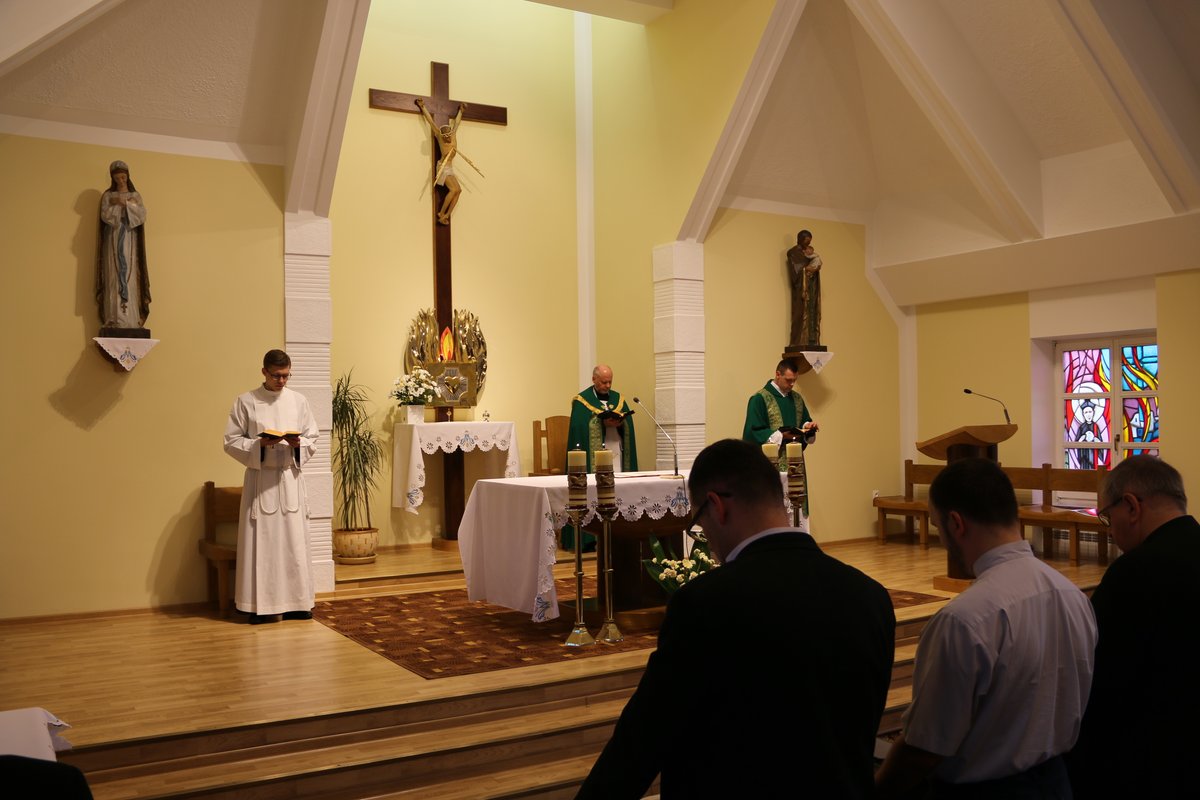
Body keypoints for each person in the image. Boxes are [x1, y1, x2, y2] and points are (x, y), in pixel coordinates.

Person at [575, 439, 895, 799]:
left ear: (717, 505)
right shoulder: (871, 597)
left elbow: (643, 740)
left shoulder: (705, 603)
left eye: (699, 522)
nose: (707, 539)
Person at [876, 458, 1097, 799]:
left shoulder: (963, 620)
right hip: (1057, 782)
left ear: (956, 523)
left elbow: (925, 748)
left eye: (937, 526)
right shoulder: (1074, 597)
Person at [1067, 455, 1198, 798]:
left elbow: (1098, 674)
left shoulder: (1134, 572)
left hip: (1149, 759)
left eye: (1108, 518)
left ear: (1131, 506)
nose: (1110, 532)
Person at [223, 350, 319, 624]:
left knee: (293, 543)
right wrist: (259, 445)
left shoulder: (298, 401)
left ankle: (297, 604)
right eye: (277, 376)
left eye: (286, 375)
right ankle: (259, 607)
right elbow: (231, 441)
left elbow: (312, 436)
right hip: (261, 480)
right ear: (264, 371)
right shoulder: (246, 401)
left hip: (290, 478)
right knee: (263, 544)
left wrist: (299, 444)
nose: (282, 381)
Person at [743, 358, 818, 519]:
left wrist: (808, 427)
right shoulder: (760, 399)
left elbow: (804, 421)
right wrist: (781, 435)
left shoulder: (797, 399)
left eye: (794, 380)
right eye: (788, 380)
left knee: (795, 511)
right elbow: (752, 432)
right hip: (771, 465)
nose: (792, 384)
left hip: (795, 463)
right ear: (778, 375)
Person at [96, 160, 150, 331]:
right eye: (117, 178)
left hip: (130, 239)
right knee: (114, 275)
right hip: (112, 239)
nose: (121, 180)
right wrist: (117, 205)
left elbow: (141, 215)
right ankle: (113, 318)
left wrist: (126, 203)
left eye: (123, 177)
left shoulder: (135, 195)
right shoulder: (108, 196)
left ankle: (132, 319)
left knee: (131, 276)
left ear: (128, 176)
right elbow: (106, 216)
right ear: (113, 178)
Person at [415, 98, 467, 225]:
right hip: (443, 167)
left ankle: (446, 215)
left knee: (459, 191)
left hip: (450, 167)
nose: (447, 138)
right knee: (453, 190)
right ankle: (441, 212)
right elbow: (430, 121)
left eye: (448, 135)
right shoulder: (439, 136)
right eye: (445, 136)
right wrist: (422, 107)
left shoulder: (453, 134)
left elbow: (457, 122)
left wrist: (461, 111)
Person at [787, 229, 822, 347]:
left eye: (809, 242)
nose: (808, 244)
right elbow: (796, 270)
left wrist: (814, 269)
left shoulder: (807, 252)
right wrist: (807, 268)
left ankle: (811, 340)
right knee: (799, 314)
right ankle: (798, 341)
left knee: (812, 312)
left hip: (811, 287)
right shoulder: (793, 252)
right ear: (800, 240)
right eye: (806, 241)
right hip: (800, 289)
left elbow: (814, 265)